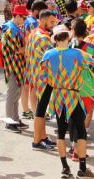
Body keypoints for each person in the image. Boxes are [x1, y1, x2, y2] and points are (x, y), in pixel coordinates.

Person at [41, 30, 94, 179]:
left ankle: (65, 169)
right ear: (68, 39)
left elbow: (44, 77)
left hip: (58, 96)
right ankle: (82, 168)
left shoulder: (47, 55)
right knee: (81, 132)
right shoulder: (77, 53)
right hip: (73, 95)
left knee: (61, 133)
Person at [27, 10, 58, 151]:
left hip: (35, 76)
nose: (53, 24)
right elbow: (54, 57)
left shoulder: (33, 33)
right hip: (44, 78)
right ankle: (36, 140)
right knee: (41, 110)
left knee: (41, 109)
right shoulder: (44, 38)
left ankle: (43, 137)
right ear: (43, 20)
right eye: (51, 22)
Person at [70, 19, 94, 140]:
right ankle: (82, 135)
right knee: (86, 112)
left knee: (71, 114)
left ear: (73, 30)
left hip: (69, 84)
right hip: (86, 85)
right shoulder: (91, 47)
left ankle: (73, 140)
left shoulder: (66, 45)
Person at [1, 5, 29, 133]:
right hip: (13, 66)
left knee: (16, 94)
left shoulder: (16, 28)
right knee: (12, 94)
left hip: (19, 66)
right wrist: (28, 47)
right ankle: (9, 122)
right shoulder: (11, 30)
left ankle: (16, 119)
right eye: (23, 16)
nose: (25, 19)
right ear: (17, 15)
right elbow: (16, 50)